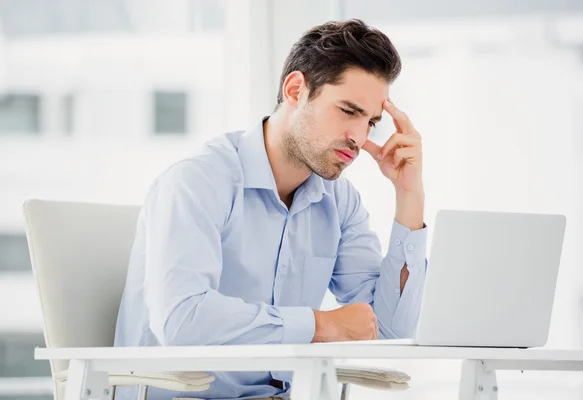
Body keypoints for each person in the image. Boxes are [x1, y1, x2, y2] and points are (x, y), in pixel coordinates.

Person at [114, 18, 427, 400]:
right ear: (296, 89)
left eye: (371, 123)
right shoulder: (198, 180)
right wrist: (319, 325)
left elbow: (389, 333)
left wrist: (409, 194)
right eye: (348, 111)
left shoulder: (339, 201)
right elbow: (183, 321)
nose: (359, 139)